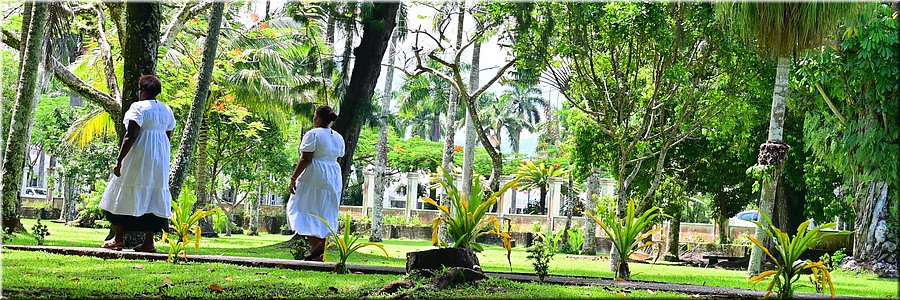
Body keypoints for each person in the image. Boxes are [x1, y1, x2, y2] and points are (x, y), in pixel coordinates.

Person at [99, 75, 175, 252]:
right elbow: (168, 134)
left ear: (143, 91)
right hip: (159, 157)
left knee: (124, 189)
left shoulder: (138, 107)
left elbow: (130, 135)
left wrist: (120, 160)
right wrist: (161, 154)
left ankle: (118, 239)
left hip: (139, 155)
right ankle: (148, 242)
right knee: (152, 194)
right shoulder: (166, 110)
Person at [286, 105, 345, 261]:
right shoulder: (338, 137)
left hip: (315, 173)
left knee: (299, 207)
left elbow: (306, 158)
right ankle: (319, 255)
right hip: (333, 175)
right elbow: (338, 156)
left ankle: (315, 243)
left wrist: (293, 177)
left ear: (317, 118)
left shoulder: (313, 134)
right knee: (324, 211)